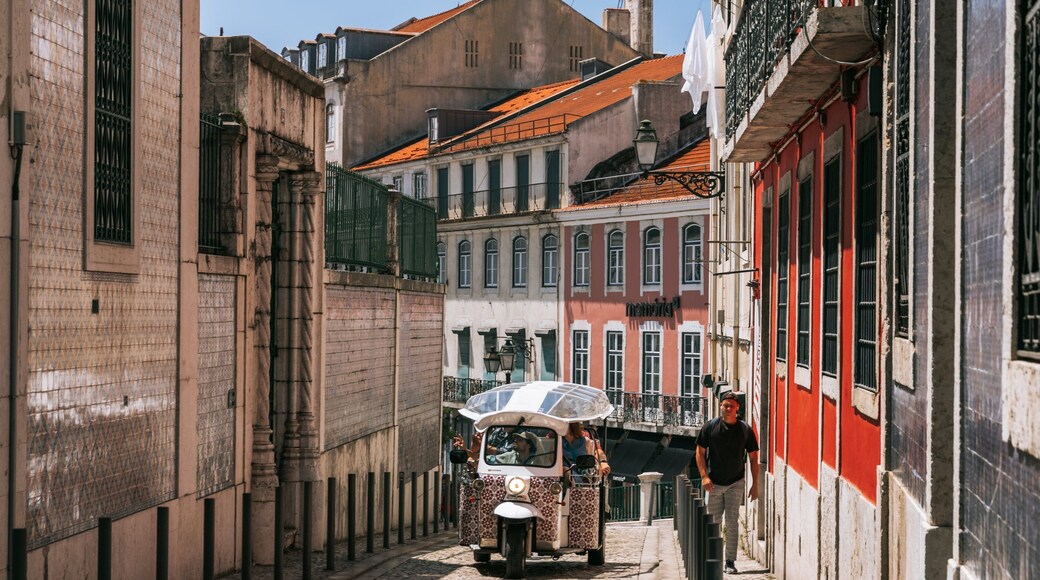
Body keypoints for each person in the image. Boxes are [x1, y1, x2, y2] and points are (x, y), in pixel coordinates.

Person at [695, 391, 760, 575]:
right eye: (725, 405)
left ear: (737, 408)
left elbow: (754, 458)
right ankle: (711, 557)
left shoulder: (745, 430)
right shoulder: (710, 427)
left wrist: (755, 485)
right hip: (713, 483)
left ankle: (730, 561)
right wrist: (704, 476)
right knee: (712, 522)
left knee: (732, 522)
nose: (728, 408)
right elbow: (699, 452)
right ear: (721, 406)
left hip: (735, 482)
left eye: (731, 405)